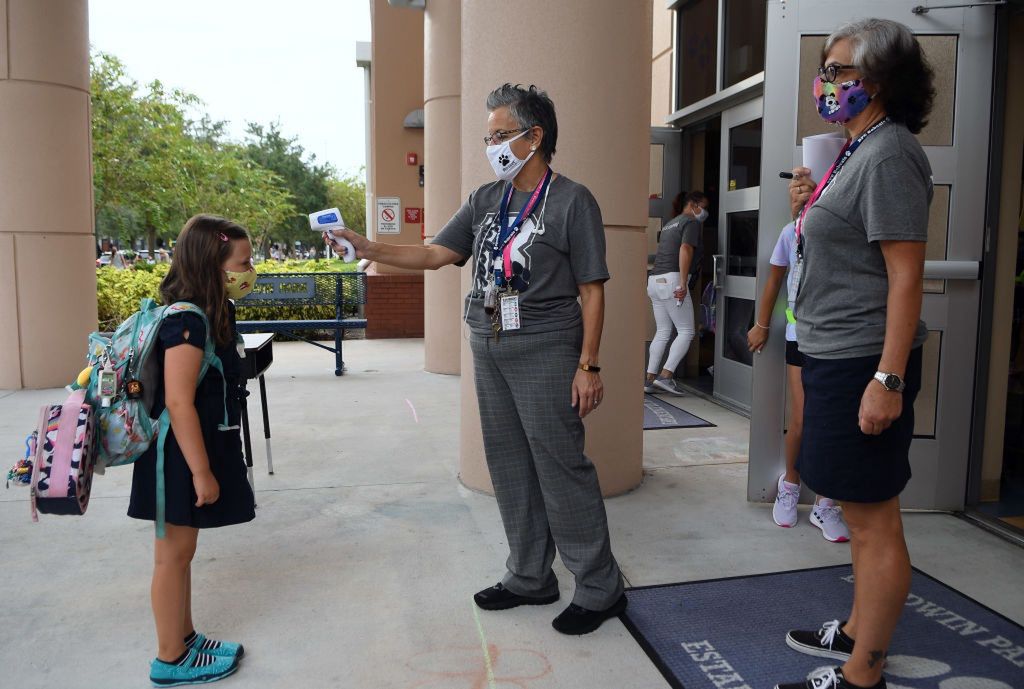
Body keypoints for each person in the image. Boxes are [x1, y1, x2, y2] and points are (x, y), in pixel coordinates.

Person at [326, 83, 626, 635]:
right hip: (489, 341)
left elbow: (593, 289)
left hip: (546, 342)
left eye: (500, 135)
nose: (492, 146)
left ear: (534, 137)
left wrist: (589, 365)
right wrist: (371, 249)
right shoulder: (487, 198)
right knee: (509, 462)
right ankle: (531, 575)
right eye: (488, 137)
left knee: (560, 465)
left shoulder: (572, 200)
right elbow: (439, 251)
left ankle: (600, 586)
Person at [774, 18, 934, 689]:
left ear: (878, 80)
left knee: (872, 522)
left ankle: (862, 671)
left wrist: (887, 377)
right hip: (834, 351)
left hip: (864, 358)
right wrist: (805, 207)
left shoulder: (889, 152)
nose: (827, 81)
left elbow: (905, 275)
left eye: (840, 70)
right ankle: (856, 626)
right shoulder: (854, 147)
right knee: (856, 507)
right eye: (828, 69)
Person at [128, 214, 257, 686]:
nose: (250, 269)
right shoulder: (186, 321)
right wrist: (202, 473)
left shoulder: (206, 312)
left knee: (182, 553)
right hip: (177, 459)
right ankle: (169, 659)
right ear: (213, 264)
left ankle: (184, 639)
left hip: (187, 452)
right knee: (171, 557)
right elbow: (179, 403)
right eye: (243, 261)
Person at [747, 222, 849, 543]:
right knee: (802, 418)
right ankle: (789, 485)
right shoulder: (791, 232)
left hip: (840, 339)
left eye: (807, 190)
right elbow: (775, 278)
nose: (800, 196)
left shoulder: (844, 227)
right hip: (800, 337)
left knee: (833, 421)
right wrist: (761, 324)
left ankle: (825, 502)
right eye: (796, 191)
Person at [644, 191, 708, 396]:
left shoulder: (670, 224)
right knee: (686, 331)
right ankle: (666, 376)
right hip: (672, 280)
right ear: (693, 204)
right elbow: (686, 249)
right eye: (703, 206)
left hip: (655, 281)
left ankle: (649, 379)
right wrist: (682, 284)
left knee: (663, 331)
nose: (705, 211)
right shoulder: (690, 222)